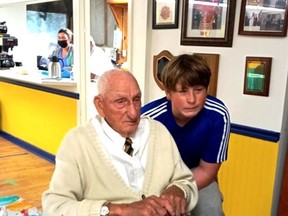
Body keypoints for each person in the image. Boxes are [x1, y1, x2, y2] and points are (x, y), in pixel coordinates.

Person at [42, 69, 198, 216]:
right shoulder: (77, 143)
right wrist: (117, 210)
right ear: (100, 105)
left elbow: (186, 181)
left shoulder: (158, 131)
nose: (133, 112)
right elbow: (55, 207)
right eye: (121, 102)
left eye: (136, 100)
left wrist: (179, 190)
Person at [141, 53, 231, 216]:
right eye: (183, 91)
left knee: (212, 210)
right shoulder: (148, 119)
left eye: (198, 90)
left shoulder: (218, 115)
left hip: (197, 176)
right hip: (156, 178)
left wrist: (180, 188)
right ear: (168, 93)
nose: (192, 99)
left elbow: (207, 171)